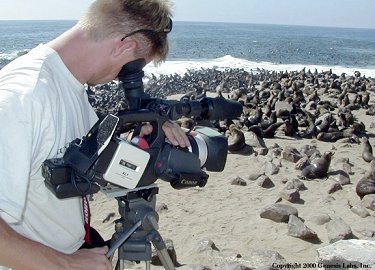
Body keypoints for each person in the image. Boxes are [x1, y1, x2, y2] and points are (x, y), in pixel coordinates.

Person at [0, 0, 191, 269]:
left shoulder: (70, 85)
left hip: (71, 247)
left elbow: (84, 161)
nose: (121, 79)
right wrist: (67, 264)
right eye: (131, 68)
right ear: (124, 46)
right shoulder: (23, 97)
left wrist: (149, 134)